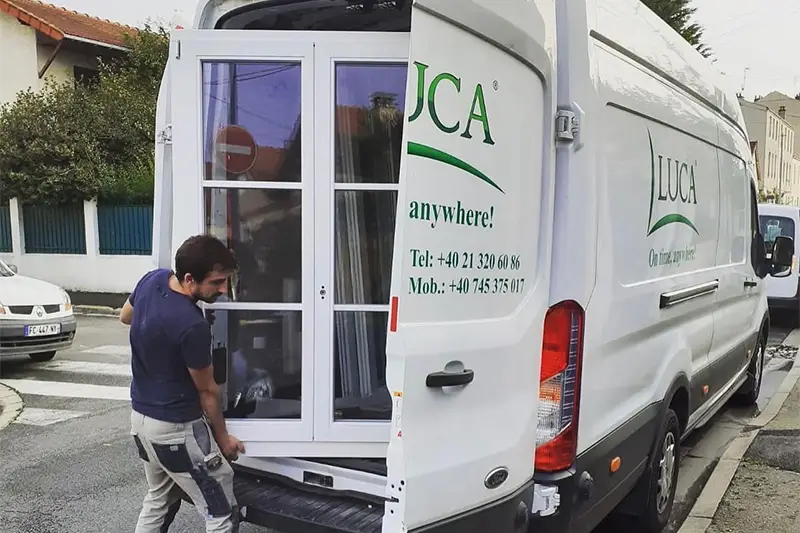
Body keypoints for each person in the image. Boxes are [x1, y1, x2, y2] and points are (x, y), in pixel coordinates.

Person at [120, 234, 245, 533]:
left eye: (226, 280)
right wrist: (224, 439)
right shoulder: (192, 325)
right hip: (175, 429)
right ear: (190, 278)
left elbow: (126, 317)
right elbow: (207, 392)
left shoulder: (152, 280)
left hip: (141, 421)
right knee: (222, 513)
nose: (223, 289)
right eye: (216, 282)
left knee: (160, 498)